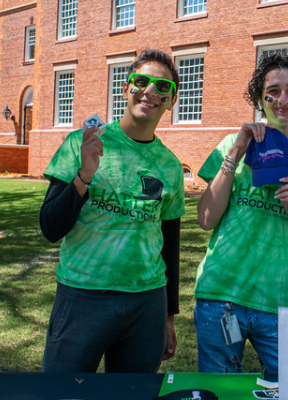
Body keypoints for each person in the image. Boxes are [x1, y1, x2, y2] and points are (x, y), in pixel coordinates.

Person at [39, 49, 185, 373]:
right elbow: (50, 227)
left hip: (146, 303)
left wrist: (168, 316)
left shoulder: (171, 166)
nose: (149, 91)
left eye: (162, 87)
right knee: (63, 395)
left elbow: (169, 244)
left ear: (171, 100)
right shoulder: (83, 142)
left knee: (133, 396)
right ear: (126, 88)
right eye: (141, 81)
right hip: (82, 296)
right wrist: (83, 177)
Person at [194, 53, 288, 379]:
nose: (282, 99)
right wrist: (235, 155)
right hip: (221, 298)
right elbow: (205, 219)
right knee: (223, 391)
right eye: (272, 91)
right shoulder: (234, 144)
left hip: (278, 304)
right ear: (260, 99)